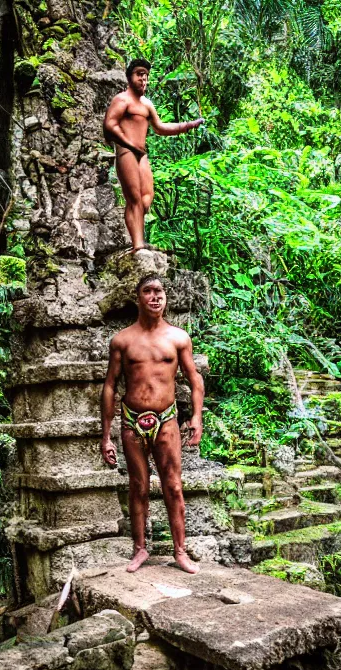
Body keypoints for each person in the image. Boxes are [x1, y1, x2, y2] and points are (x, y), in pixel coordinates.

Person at [100, 273, 204, 573]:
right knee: (138, 486)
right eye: (148, 291)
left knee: (173, 485)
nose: (155, 296)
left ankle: (181, 551)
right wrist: (106, 435)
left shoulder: (178, 338)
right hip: (132, 420)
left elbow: (194, 380)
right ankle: (140, 549)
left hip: (167, 420)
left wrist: (196, 417)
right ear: (139, 298)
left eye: (159, 291)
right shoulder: (122, 340)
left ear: (166, 297)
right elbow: (110, 386)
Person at [103, 58, 204, 252]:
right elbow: (110, 124)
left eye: (146, 76)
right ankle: (138, 245)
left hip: (141, 154)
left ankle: (139, 240)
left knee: (147, 198)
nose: (143, 79)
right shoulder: (122, 100)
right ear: (129, 76)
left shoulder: (147, 104)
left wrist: (188, 125)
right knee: (134, 199)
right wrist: (128, 143)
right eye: (139, 74)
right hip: (126, 152)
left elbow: (161, 128)